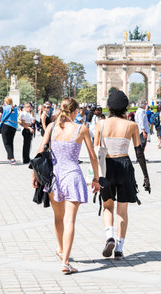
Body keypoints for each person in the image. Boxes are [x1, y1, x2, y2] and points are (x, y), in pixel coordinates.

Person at [33, 97, 100, 274]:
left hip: (54, 176)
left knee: (58, 217)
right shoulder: (81, 129)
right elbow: (92, 156)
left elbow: (41, 150)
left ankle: (61, 249)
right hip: (72, 176)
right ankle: (65, 262)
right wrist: (96, 178)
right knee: (70, 220)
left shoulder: (52, 126)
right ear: (75, 111)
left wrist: (34, 174)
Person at [94, 90, 151, 260]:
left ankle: (109, 236)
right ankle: (119, 247)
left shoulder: (100, 124)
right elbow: (139, 152)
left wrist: (95, 176)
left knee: (107, 206)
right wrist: (146, 176)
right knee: (123, 210)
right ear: (126, 107)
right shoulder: (131, 125)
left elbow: (96, 152)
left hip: (107, 167)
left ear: (109, 106)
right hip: (125, 166)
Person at [0, 96, 18, 164]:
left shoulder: (3, 108)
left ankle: (12, 158)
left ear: (5, 102)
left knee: (6, 143)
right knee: (11, 142)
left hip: (6, 126)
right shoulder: (15, 108)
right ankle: (10, 158)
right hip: (13, 127)